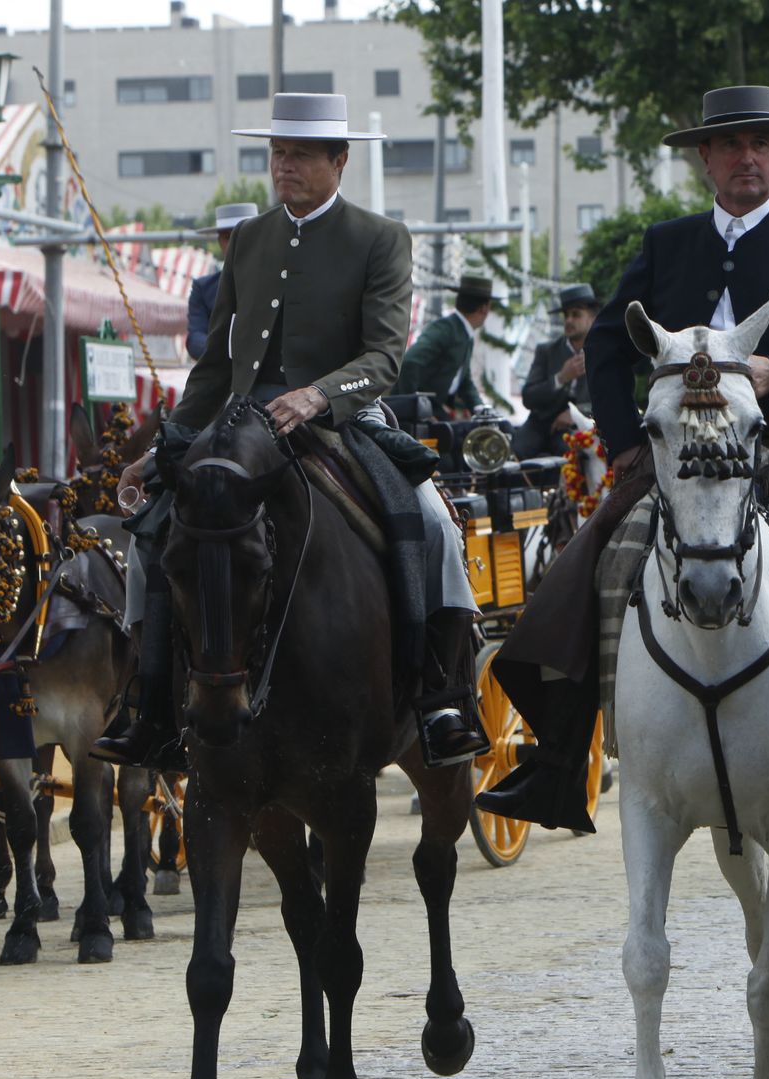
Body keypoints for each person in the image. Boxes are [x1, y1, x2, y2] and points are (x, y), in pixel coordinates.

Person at [474, 84, 769, 832]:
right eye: (731, 146)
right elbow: (611, 344)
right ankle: (556, 761)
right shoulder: (666, 243)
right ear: (706, 159)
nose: (747, 158)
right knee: (592, 554)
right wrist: (622, 443)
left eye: (761, 145)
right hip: (678, 449)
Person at [96, 92, 483, 768]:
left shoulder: (381, 238)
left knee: (434, 524)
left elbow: (385, 357)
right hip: (244, 420)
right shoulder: (249, 237)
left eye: (300, 154)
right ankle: (149, 699)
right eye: (277, 154)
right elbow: (215, 365)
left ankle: (438, 696)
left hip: (344, 416)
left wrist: (317, 396)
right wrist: (165, 449)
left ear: (339, 160)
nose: (284, 166)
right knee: (151, 531)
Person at [516, 282, 600, 460]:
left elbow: (611, 396)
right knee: (515, 453)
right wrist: (560, 378)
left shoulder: (602, 354)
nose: (569, 320)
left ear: (592, 318)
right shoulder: (546, 351)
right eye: (566, 315)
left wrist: (577, 413)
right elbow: (528, 397)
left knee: (574, 456)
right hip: (539, 424)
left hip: (578, 427)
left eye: (576, 314)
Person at [394, 275, 494, 415]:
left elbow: (464, 379)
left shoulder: (465, 333)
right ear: (484, 308)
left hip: (431, 407)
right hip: (415, 412)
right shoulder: (445, 330)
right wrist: (413, 406)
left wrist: (479, 408)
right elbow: (410, 362)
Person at [186, 202, 258, 360]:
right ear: (219, 241)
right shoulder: (203, 288)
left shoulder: (278, 279)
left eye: (242, 235)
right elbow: (195, 339)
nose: (235, 243)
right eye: (228, 237)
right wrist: (233, 349)